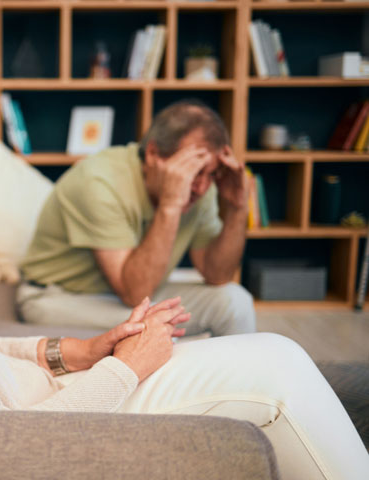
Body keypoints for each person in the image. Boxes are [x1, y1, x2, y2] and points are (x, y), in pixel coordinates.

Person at [0, 16, 369, 480]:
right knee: (278, 374)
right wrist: (121, 368)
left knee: (275, 353)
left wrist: (86, 351)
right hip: (62, 425)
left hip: (69, 392)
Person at [18, 101, 255, 336]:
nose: (202, 187)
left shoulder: (201, 188)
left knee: (236, 302)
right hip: (58, 297)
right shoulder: (98, 182)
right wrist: (171, 204)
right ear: (153, 153)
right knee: (154, 329)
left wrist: (237, 208)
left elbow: (218, 275)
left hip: (138, 292)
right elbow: (135, 292)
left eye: (211, 173)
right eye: (191, 169)